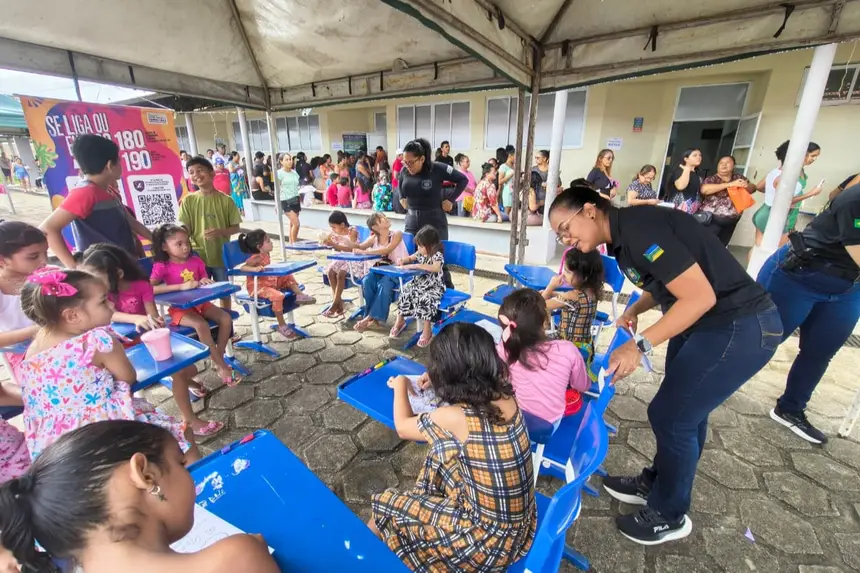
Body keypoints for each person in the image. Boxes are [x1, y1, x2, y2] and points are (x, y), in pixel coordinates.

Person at [548, 183, 781, 545]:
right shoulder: (624, 239)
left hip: (737, 325)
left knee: (672, 416)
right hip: (704, 324)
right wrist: (634, 310)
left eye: (566, 228)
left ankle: (669, 514)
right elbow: (663, 282)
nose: (565, 240)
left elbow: (700, 295)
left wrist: (640, 345)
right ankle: (657, 482)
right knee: (687, 413)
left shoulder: (641, 228)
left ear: (590, 210)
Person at [0, 420, 279, 573]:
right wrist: (248, 555)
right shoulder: (235, 559)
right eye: (180, 463)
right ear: (145, 475)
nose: (188, 474)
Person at [371, 322, 536, 570]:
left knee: (386, 505)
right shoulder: (505, 395)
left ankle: (367, 554)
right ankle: (422, 506)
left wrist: (402, 385)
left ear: (448, 376)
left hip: (485, 541)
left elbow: (403, 427)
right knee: (438, 457)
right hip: (517, 524)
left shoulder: (457, 417)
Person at [16, 268, 197, 462]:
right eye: (103, 301)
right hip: (106, 435)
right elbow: (128, 377)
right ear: (72, 316)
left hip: (56, 454)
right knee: (184, 436)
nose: (112, 304)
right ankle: (199, 485)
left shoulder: (30, 353)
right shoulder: (97, 341)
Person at [80, 243, 222, 438]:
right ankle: (188, 414)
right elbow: (110, 316)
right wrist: (136, 319)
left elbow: (151, 316)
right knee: (171, 374)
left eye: (98, 281)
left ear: (118, 274)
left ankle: (188, 404)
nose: (94, 287)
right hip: (115, 352)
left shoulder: (140, 286)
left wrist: (156, 322)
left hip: (142, 343)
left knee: (186, 369)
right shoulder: (95, 297)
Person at [757, 183, 860, 444]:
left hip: (848, 287)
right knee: (758, 341)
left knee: (820, 351)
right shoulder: (855, 198)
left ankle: (790, 408)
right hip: (799, 275)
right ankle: (701, 392)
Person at [40, 134, 151, 269]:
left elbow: (130, 222)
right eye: (119, 160)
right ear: (110, 165)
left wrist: (158, 240)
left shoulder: (108, 190)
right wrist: (75, 268)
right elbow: (48, 228)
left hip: (123, 264)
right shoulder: (85, 192)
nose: (121, 164)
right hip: (103, 270)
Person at [149, 224, 239, 387]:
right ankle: (222, 366)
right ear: (164, 247)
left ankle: (217, 358)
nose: (185, 247)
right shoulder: (162, 266)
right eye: (179, 244)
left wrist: (205, 280)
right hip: (180, 310)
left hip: (201, 304)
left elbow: (204, 278)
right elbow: (150, 289)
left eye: (187, 243)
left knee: (226, 318)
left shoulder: (196, 260)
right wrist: (180, 287)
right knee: (201, 325)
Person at [498, 289, 589, 425]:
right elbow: (581, 386)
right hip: (551, 423)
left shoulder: (503, 349)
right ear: (545, 322)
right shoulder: (567, 349)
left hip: (516, 423)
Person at [398, 138, 468, 289]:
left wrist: (451, 199)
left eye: (411, 162)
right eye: (405, 162)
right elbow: (400, 184)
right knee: (412, 257)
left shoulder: (437, 169)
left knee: (438, 260)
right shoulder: (405, 171)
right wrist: (402, 197)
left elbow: (462, 180)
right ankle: (418, 294)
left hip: (434, 221)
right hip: (412, 221)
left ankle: (448, 295)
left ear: (422, 158)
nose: (407, 165)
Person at [178, 157, 242, 311]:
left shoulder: (226, 201)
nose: (196, 175)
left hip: (220, 256)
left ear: (212, 173)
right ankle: (208, 325)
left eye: (200, 170)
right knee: (199, 293)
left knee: (224, 293)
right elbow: (184, 228)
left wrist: (221, 232)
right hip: (197, 256)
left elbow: (236, 228)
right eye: (191, 172)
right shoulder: (188, 201)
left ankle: (228, 324)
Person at [237, 230, 314, 340]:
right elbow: (243, 268)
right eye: (268, 241)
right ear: (259, 246)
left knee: (287, 275)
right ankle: (282, 325)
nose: (271, 242)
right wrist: (254, 269)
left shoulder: (266, 254)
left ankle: (299, 295)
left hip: (269, 282)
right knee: (278, 296)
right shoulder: (256, 257)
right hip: (258, 288)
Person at [542, 248, 603, 385]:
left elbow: (539, 305)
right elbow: (568, 299)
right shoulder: (591, 291)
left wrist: (549, 288)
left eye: (568, 272)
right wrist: (554, 295)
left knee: (536, 347)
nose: (563, 274)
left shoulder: (573, 296)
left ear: (584, 276)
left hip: (570, 350)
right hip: (585, 348)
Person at [752, 141, 823, 250]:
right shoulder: (789, 172)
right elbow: (784, 200)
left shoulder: (783, 170)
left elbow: (760, 187)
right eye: (813, 155)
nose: (814, 159)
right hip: (774, 214)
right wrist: (811, 193)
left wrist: (773, 194)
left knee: (759, 249)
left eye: (816, 156)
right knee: (774, 253)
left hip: (770, 212)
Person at [0, 222, 47, 378]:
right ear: (2, 260)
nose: (43, 261)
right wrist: (38, 330)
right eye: (33, 256)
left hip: (57, 341)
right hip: (24, 355)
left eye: (45, 253)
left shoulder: (47, 275)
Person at [389, 225, 445, 348]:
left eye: (421, 245)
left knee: (425, 299)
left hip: (433, 286)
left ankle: (427, 330)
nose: (418, 248)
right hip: (418, 283)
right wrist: (403, 260)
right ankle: (400, 320)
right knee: (405, 292)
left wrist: (416, 266)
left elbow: (435, 268)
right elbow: (410, 258)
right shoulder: (420, 252)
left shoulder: (437, 255)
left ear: (431, 245)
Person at [353, 213, 409, 333]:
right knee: (367, 281)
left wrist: (365, 252)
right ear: (375, 227)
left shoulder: (396, 234)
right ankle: (374, 319)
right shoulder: (373, 238)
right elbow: (359, 246)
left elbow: (388, 249)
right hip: (381, 269)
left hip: (398, 271)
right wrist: (343, 242)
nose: (386, 218)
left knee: (384, 284)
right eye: (381, 219)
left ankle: (369, 318)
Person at [700, 155, 756, 246]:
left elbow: (753, 189)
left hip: (731, 221)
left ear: (733, 165)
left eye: (727, 163)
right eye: (721, 163)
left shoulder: (739, 178)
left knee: (721, 246)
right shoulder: (712, 179)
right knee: (707, 245)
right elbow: (704, 190)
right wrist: (730, 184)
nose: (724, 165)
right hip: (712, 220)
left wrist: (747, 185)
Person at [321, 211, 362, 318]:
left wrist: (335, 245)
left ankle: (335, 304)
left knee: (341, 274)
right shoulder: (335, 234)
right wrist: (327, 242)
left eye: (334, 227)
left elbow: (351, 248)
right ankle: (338, 302)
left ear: (342, 225)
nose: (332, 230)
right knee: (330, 272)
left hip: (353, 259)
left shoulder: (352, 231)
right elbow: (334, 246)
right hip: (342, 258)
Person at [276, 152, 302, 244]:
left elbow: (297, 185)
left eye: (290, 159)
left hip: (295, 198)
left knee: (292, 223)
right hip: (285, 200)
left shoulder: (294, 172)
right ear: (281, 162)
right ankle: (295, 245)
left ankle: (291, 243)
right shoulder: (278, 173)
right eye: (286, 160)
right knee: (297, 224)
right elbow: (276, 189)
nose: (289, 161)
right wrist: (276, 204)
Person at [668, 148, 704, 213]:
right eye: (695, 155)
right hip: (679, 209)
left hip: (693, 209)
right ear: (686, 159)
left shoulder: (698, 175)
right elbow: (680, 186)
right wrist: (687, 170)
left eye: (700, 155)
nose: (698, 157)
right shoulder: (679, 171)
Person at [527, 150, 551, 225]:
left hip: (547, 197)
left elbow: (558, 183)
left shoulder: (551, 169)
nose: (536, 159)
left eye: (538, 158)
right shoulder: (533, 169)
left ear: (544, 158)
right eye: (535, 158)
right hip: (535, 198)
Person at [454, 153, 476, 217]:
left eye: (469, 161)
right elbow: (461, 186)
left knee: (469, 218)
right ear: (461, 163)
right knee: (461, 218)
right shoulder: (458, 173)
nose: (469, 163)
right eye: (467, 161)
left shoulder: (470, 173)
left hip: (470, 198)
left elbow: (474, 183)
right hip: (462, 199)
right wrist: (472, 191)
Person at [498, 149, 516, 215]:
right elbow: (500, 181)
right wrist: (511, 174)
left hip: (515, 191)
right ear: (510, 156)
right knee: (507, 212)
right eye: (515, 156)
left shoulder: (514, 167)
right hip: (507, 191)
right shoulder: (503, 166)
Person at [391, 149, 407, 215]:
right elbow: (395, 175)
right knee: (398, 197)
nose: (404, 156)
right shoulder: (398, 162)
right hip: (397, 183)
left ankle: (398, 210)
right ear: (399, 155)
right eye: (403, 155)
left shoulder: (401, 162)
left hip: (398, 183)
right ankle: (399, 210)